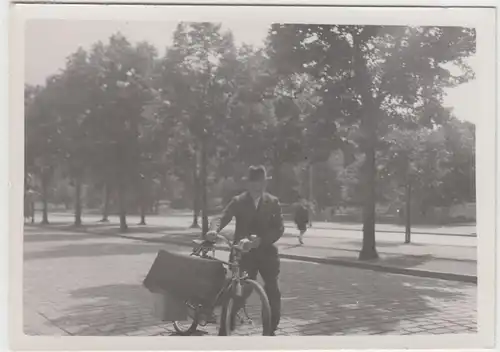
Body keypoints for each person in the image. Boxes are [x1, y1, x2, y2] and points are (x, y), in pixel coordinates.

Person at [205, 165, 284, 336]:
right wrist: (214, 230)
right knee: (240, 291)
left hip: (266, 254)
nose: (258, 186)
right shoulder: (239, 201)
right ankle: (227, 322)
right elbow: (222, 217)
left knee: (273, 290)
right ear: (248, 183)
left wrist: (261, 240)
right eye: (255, 182)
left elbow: (278, 229)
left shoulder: (273, 202)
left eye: (261, 182)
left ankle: (270, 330)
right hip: (243, 254)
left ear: (265, 183)